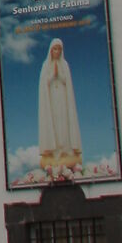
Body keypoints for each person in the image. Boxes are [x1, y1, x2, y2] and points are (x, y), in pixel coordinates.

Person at [37, 38, 82, 179]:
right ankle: (54, 151)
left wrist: (60, 75)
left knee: (64, 123)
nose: (57, 51)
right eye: (55, 49)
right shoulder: (46, 65)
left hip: (62, 99)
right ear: (51, 50)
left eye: (59, 49)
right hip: (51, 102)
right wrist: (52, 75)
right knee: (55, 124)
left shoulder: (65, 64)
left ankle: (66, 150)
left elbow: (67, 82)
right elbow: (44, 85)